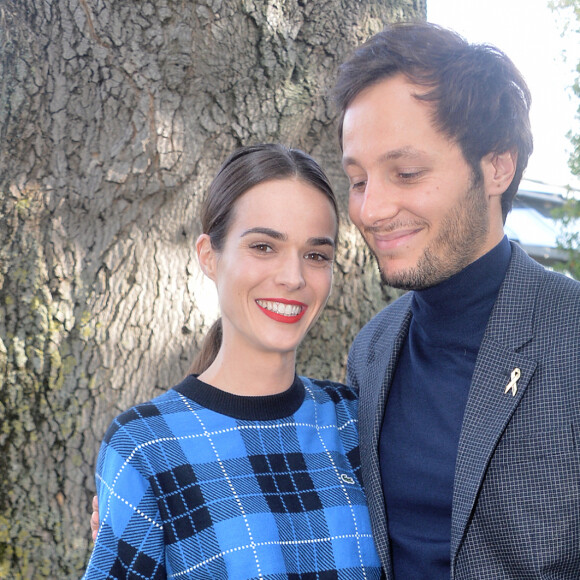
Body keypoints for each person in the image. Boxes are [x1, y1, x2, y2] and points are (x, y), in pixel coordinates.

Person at [334, 21, 580, 579]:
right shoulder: (370, 350)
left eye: (407, 172)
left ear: (497, 166)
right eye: (358, 180)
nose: (371, 210)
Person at [83, 144, 382, 579]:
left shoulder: (355, 421)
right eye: (263, 246)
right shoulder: (145, 447)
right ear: (208, 255)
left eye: (316, 255)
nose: (293, 278)